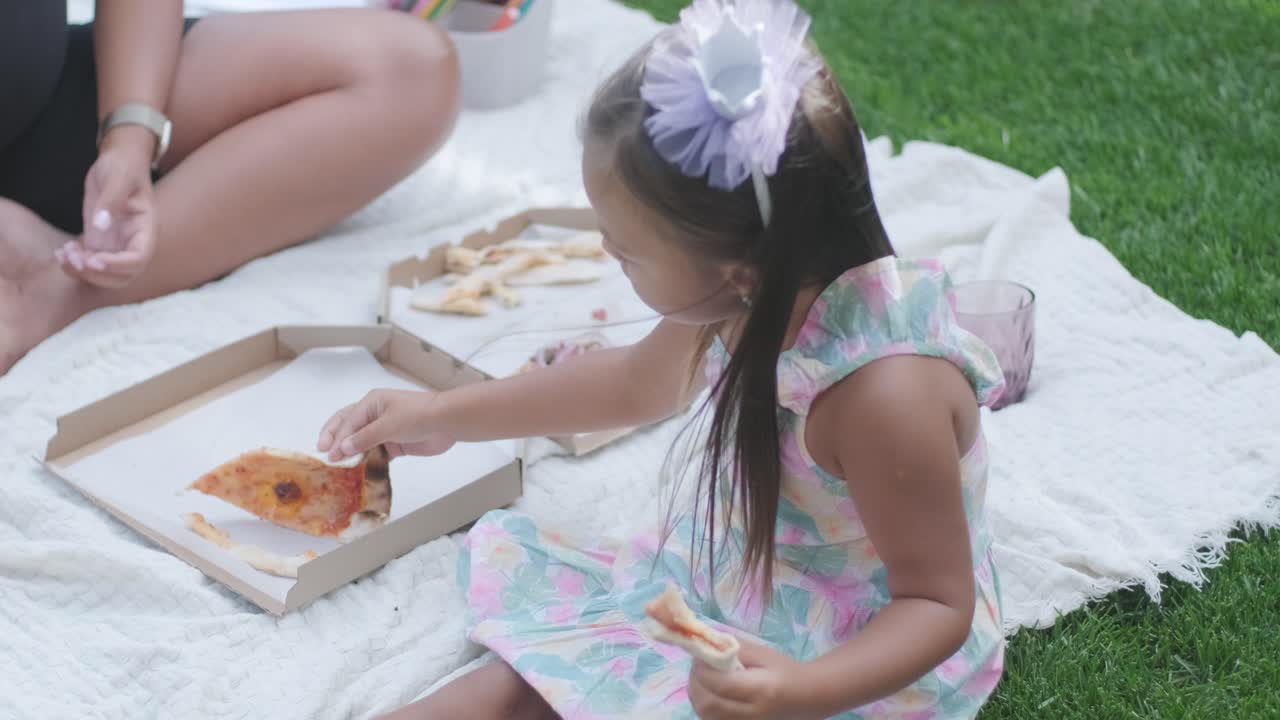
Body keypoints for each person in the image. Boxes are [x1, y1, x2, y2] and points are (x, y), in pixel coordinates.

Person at [319, 0, 1006, 717]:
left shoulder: (885, 398)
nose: (608, 257)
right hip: (745, 583)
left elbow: (935, 603)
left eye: (625, 248)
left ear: (735, 269)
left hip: (855, 655)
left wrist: (797, 691)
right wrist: (441, 413)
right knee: (523, 678)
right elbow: (631, 383)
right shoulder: (747, 291)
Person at [0, 2, 461, 375]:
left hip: (39, 94)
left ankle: (46, 295)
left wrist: (129, 138)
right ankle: (35, 300)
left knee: (410, 69)